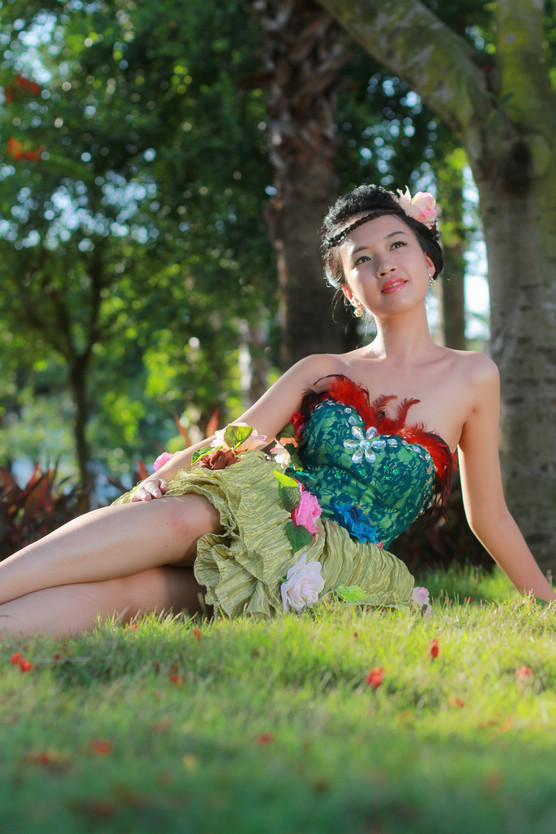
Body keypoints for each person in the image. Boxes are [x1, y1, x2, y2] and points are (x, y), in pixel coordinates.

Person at [0, 184, 554, 637]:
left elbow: (489, 516)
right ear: (350, 291)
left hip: (334, 568)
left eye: (397, 245)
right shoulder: (322, 368)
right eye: (363, 259)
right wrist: (157, 483)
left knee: (141, 593)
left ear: (428, 260)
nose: (384, 264)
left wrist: (546, 608)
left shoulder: (473, 376)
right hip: (272, 513)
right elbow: (237, 437)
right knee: (179, 518)